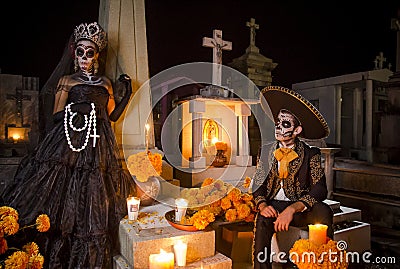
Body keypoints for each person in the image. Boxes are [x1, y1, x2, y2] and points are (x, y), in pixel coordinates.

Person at [1, 22, 136, 268]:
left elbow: (112, 116)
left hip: (97, 144)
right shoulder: (66, 81)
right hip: (69, 142)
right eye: (80, 51)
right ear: (75, 53)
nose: (84, 57)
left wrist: (125, 93)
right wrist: (78, 111)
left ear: (96, 56)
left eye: (90, 52)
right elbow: (55, 115)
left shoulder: (105, 83)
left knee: (92, 192)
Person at [252, 86, 333, 269]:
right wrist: (263, 205)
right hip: (273, 206)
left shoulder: (310, 153)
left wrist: (293, 209)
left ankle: (324, 263)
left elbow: (320, 189)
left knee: (324, 211)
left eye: (286, 124)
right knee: (262, 219)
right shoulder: (266, 152)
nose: (279, 127)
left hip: (299, 208)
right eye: (277, 123)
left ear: (297, 130)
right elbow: (258, 183)